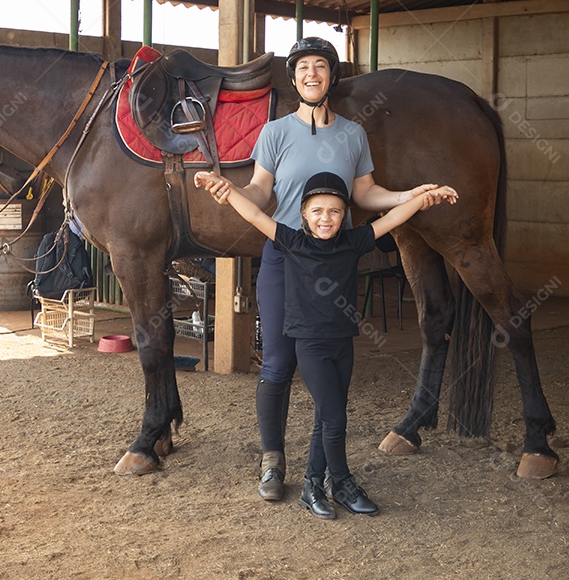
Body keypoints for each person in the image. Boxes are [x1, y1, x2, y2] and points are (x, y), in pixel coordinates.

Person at [195, 37, 442, 503]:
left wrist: (408, 196)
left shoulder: (352, 134)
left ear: (332, 76)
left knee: (330, 366)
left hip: (332, 262)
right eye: (304, 67)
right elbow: (260, 193)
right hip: (284, 255)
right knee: (278, 364)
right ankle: (272, 461)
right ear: (295, 77)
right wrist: (230, 193)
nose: (312, 74)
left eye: (321, 67)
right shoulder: (275, 132)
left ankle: (323, 471)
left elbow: (366, 196)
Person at [195, 170, 458, 518]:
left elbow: (393, 218)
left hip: (342, 345)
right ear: (304, 213)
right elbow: (255, 214)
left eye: (334, 211)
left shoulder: (353, 242)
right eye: (317, 211)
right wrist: (225, 189)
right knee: (335, 420)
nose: (326, 218)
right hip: (312, 347)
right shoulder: (291, 241)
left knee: (326, 417)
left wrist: (423, 198)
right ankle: (344, 482)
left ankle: (313, 486)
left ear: (344, 215)